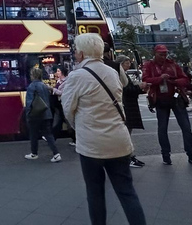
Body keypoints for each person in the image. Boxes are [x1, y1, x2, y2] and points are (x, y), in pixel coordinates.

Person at [62, 33, 146, 225]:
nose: (75, 53)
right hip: (119, 141)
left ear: (82, 54)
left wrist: (80, 127)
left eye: (76, 50)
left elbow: (68, 109)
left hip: (91, 146)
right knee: (127, 192)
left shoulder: (77, 76)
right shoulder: (112, 73)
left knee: (95, 193)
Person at [142, 44, 192, 166]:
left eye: (165, 54)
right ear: (155, 53)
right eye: (161, 54)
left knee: (186, 127)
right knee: (162, 128)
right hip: (160, 99)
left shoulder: (172, 64)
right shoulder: (149, 65)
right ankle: (166, 155)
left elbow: (185, 79)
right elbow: (145, 79)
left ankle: (191, 154)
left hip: (176, 97)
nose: (163, 57)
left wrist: (174, 81)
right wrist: (160, 78)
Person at [25, 67, 61, 162]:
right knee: (48, 134)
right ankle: (56, 154)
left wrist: (28, 114)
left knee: (33, 134)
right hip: (46, 113)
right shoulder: (44, 86)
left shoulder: (31, 87)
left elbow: (29, 103)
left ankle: (34, 153)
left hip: (35, 115)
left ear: (33, 76)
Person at [116, 55, 146, 168]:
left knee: (128, 131)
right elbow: (126, 90)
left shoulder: (123, 74)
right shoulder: (120, 75)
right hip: (127, 106)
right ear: (121, 64)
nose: (129, 65)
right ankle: (128, 157)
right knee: (126, 132)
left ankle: (129, 156)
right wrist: (139, 88)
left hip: (129, 105)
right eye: (127, 63)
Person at [51, 66, 76, 146]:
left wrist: (53, 90)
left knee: (67, 122)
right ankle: (52, 138)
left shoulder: (67, 82)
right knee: (58, 122)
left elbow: (62, 93)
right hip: (59, 105)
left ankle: (75, 139)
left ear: (62, 72)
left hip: (64, 104)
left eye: (58, 71)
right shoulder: (59, 81)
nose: (57, 73)